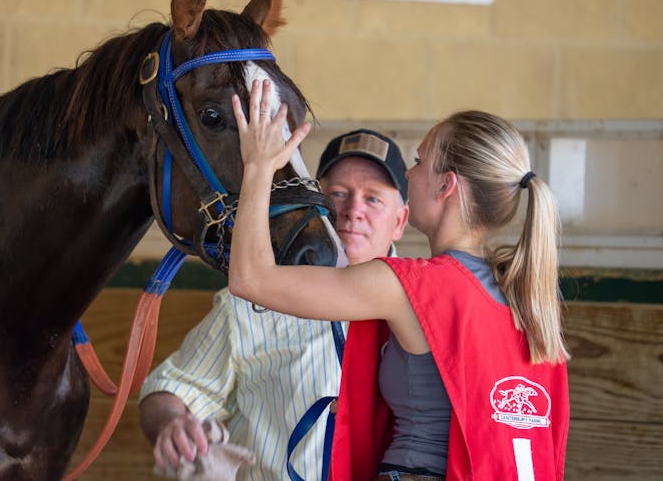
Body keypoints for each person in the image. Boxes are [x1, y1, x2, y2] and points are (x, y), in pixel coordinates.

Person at [228, 79, 570, 481]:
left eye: (419, 161)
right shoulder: (526, 296)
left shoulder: (408, 285)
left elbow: (250, 279)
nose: (409, 173)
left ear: (446, 184)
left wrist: (258, 167)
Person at [138, 127, 410, 480]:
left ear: (400, 221)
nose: (352, 210)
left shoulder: (428, 306)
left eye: (373, 198)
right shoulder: (252, 303)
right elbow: (172, 390)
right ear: (317, 205)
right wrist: (173, 424)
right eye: (339, 193)